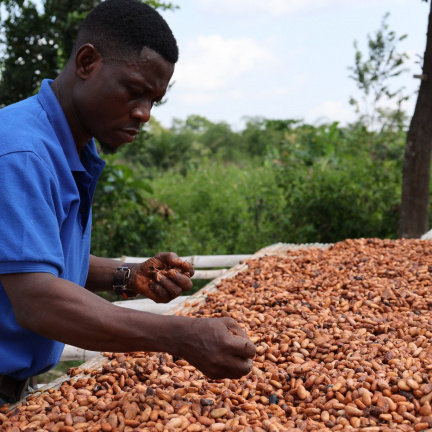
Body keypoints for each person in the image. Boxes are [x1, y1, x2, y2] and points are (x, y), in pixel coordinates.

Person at [0, 0, 256, 406]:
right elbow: (37, 300)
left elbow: (37, 261)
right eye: (134, 92)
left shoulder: (69, 149)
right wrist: (180, 337)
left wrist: (129, 275)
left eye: (154, 100)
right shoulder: (21, 153)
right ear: (87, 62)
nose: (145, 114)